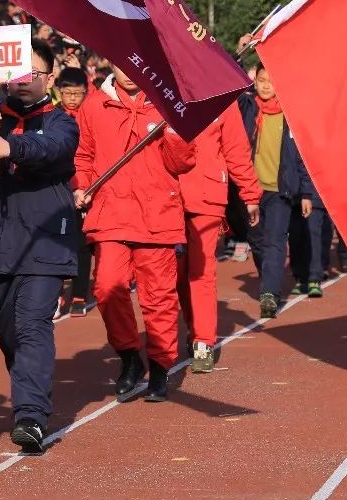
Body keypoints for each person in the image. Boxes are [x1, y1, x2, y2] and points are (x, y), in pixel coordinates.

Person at [0, 39, 79, 449]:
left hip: (47, 237)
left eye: (33, 74)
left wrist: (14, 147)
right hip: (2, 239)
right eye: (16, 74)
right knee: (9, 330)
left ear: (49, 78)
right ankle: (30, 392)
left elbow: (53, 150)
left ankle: (30, 415)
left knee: (31, 323)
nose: (23, 82)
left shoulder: (62, 120)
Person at [74, 66, 195, 402]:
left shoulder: (167, 104)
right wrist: (82, 186)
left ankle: (159, 366)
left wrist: (174, 132)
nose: (127, 73)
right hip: (110, 212)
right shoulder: (95, 105)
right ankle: (130, 357)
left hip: (156, 213)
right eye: (119, 65)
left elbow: (182, 163)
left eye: (133, 66)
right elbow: (83, 155)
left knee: (159, 298)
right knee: (107, 287)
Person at [177, 101, 262, 373]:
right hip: (167, 196)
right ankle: (193, 329)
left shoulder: (221, 100)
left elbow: (236, 149)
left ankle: (203, 340)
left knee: (202, 273)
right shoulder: (162, 91)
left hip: (206, 197)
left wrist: (249, 193)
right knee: (176, 274)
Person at [239, 64, 318, 319]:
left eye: (270, 82)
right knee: (256, 240)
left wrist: (306, 192)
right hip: (251, 189)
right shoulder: (248, 107)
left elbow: (301, 157)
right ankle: (269, 278)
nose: (265, 85)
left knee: (274, 241)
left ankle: (269, 294)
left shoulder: (290, 115)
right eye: (261, 80)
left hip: (279, 191)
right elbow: (230, 84)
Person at [54, 66, 93, 316]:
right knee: (55, 242)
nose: (72, 98)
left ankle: (79, 294)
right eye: (67, 93)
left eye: (77, 93)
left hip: (85, 187)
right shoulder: (53, 115)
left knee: (81, 244)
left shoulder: (91, 115)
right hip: (58, 187)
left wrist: (87, 187)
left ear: (86, 92)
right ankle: (55, 294)